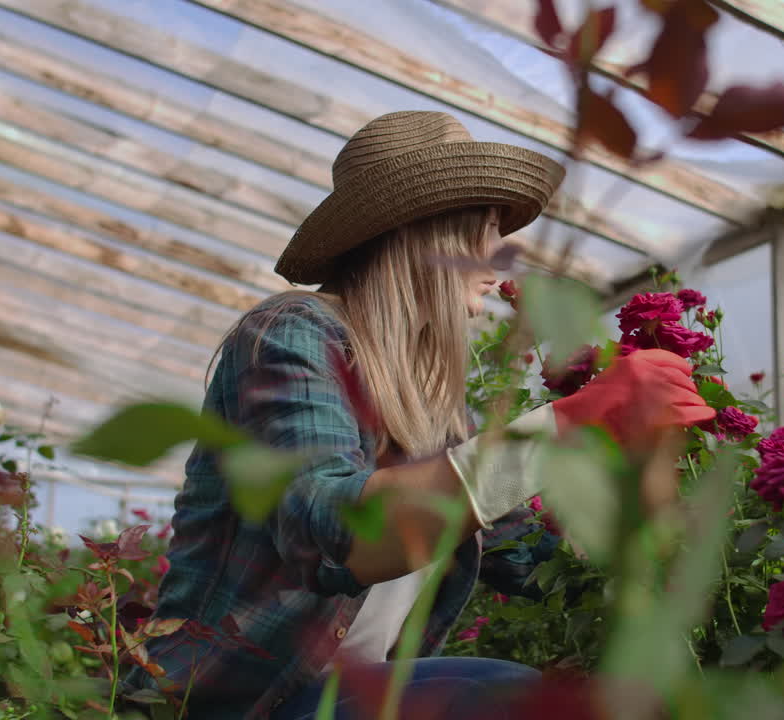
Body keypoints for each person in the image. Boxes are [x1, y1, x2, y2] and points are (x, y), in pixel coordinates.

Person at [123, 111, 715, 719]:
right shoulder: (290, 335)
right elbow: (335, 531)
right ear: (429, 237)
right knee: (499, 692)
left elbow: (525, 563)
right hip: (229, 703)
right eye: (484, 233)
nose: (497, 265)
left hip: (332, 699)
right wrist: (570, 422)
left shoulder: (428, 400)